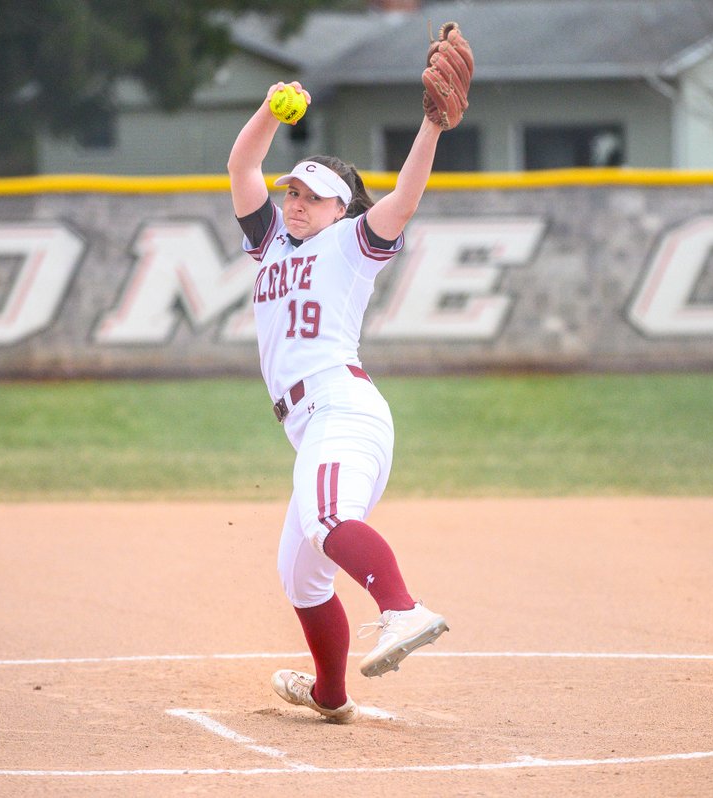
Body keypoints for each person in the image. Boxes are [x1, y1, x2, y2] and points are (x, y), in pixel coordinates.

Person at [227, 82, 449, 723]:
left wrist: (431, 126)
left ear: (341, 208)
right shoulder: (269, 246)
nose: (296, 203)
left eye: (313, 196)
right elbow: (243, 166)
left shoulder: (352, 244)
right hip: (312, 424)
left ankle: (404, 610)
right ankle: (330, 694)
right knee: (300, 574)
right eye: (293, 191)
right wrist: (270, 109)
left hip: (340, 408)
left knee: (326, 522)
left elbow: (404, 201)